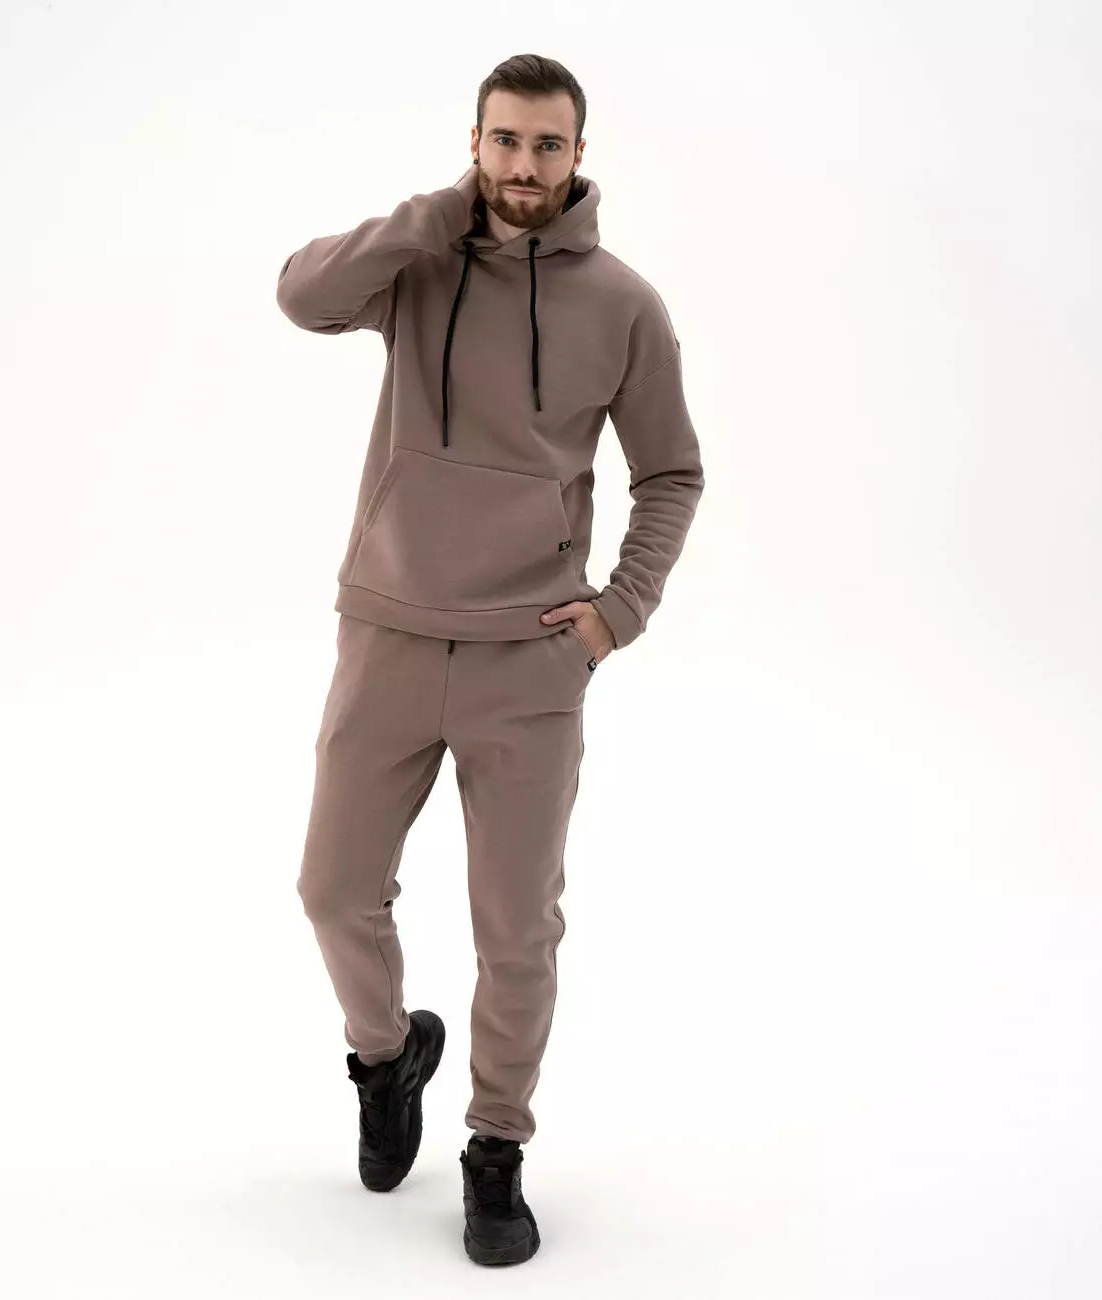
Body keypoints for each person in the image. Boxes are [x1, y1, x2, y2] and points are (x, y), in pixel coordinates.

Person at [275, 53, 705, 1266]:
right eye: (505, 141)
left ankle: (495, 1144)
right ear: (474, 144)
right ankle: (385, 1055)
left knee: (515, 929)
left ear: (578, 155)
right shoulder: (418, 266)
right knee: (332, 888)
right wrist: (429, 218)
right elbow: (302, 295)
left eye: (546, 144)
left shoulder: (623, 303)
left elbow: (671, 471)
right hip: (389, 633)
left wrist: (617, 612)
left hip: (529, 658)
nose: (525, 165)